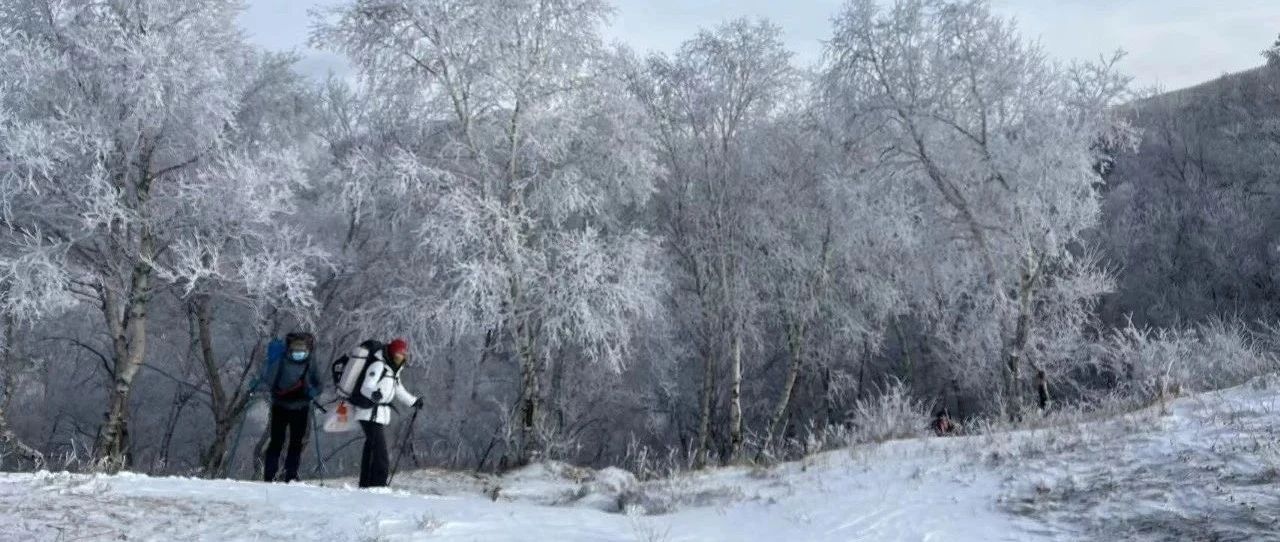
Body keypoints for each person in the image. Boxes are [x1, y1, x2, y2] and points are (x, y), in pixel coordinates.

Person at [355, 337, 422, 488]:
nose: (401, 358)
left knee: (371, 449)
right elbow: (366, 387)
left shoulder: (393, 370)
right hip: (369, 413)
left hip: (378, 414)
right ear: (392, 354)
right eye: (398, 355)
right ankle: (378, 485)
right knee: (380, 452)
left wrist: (414, 401)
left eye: (403, 355)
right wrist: (374, 394)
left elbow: (398, 389)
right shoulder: (378, 365)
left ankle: (366, 484)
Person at [258, 331, 323, 482]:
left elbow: (268, 381)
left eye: (302, 351)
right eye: (297, 351)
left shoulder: (282, 360)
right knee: (293, 443)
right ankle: (290, 476)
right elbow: (319, 384)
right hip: (298, 407)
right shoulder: (308, 360)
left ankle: (271, 475)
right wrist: (312, 392)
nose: (299, 354)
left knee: (278, 442)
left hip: (282, 405)